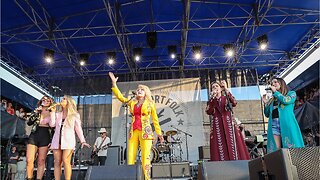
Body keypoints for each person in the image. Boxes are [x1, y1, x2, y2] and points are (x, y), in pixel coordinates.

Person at [109, 72, 164, 180]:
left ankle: (147, 178)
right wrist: (114, 84)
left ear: (146, 92)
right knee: (130, 157)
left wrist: (159, 134)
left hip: (146, 132)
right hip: (133, 131)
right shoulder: (132, 102)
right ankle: (131, 177)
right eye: (138, 89)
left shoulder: (150, 103)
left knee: (145, 157)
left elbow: (155, 120)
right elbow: (121, 98)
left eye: (142, 89)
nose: (139, 90)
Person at [206, 81, 249, 161]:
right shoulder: (211, 101)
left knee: (233, 144)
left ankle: (237, 163)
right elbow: (209, 111)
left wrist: (226, 89)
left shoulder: (226, 98)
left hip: (229, 124)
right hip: (218, 125)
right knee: (220, 145)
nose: (215, 88)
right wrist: (212, 98)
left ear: (220, 88)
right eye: (213, 87)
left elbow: (234, 102)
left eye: (217, 86)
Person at [50, 95, 90, 180]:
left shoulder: (74, 115)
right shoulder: (57, 114)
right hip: (57, 141)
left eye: (64, 99)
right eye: (62, 98)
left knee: (66, 161)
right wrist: (52, 112)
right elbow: (52, 124)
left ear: (69, 102)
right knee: (57, 162)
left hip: (68, 141)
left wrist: (82, 141)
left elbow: (78, 129)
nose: (62, 100)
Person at [263, 77, 304, 153]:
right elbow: (267, 114)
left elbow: (286, 100)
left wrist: (276, 92)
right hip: (274, 125)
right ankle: (279, 164)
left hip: (287, 123)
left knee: (292, 147)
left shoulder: (291, 94)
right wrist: (266, 104)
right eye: (272, 83)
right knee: (275, 149)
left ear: (281, 83)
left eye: (275, 82)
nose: (273, 84)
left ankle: (295, 164)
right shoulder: (272, 99)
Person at [26, 96, 54, 180]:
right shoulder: (37, 110)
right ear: (41, 101)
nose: (45, 101)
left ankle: (39, 178)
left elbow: (54, 126)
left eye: (48, 100)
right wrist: (36, 112)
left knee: (41, 160)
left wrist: (52, 140)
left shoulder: (52, 112)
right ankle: (29, 178)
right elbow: (29, 122)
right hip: (35, 133)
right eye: (44, 99)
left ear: (50, 102)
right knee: (29, 159)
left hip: (45, 134)